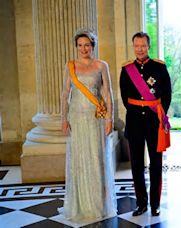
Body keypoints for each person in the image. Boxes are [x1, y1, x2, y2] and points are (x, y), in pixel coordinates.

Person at [60, 28, 117, 221]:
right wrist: (63, 118)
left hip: (95, 119)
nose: (83, 49)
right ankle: (80, 206)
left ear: (93, 46)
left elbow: (108, 94)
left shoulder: (101, 66)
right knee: (79, 162)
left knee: (95, 160)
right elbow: (65, 93)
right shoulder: (70, 66)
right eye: (80, 45)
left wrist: (109, 119)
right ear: (76, 47)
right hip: (76, 118)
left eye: (87, 45)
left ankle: (97, 205)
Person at [120, 32, 172, 217]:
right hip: (134, 122)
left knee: (156, 163)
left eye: (143, 45)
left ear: (148, 46)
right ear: (133, 46)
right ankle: (141, 203)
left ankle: (155, 203)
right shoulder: (127, 69)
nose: (140, 49)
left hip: (154, 122)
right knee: (136, 164)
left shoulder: (159, 67)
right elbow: (125, 97)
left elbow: (166, 93)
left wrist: (159, 113)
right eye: (137, 46)